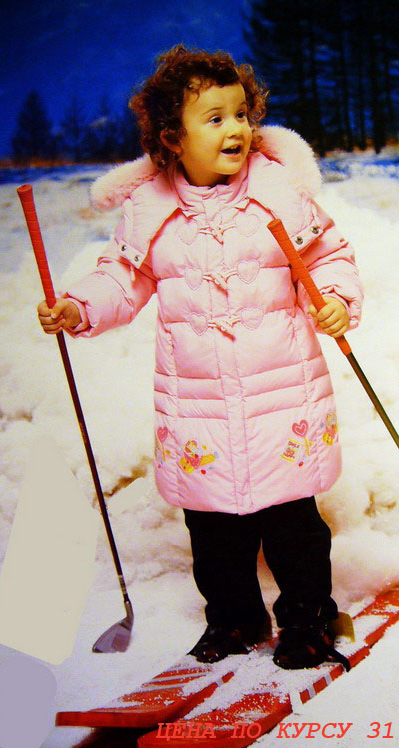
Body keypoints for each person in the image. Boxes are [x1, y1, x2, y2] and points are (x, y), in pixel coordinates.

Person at [37, 45, 363, 670]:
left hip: (280, 398)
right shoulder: (151, 212)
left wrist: (336, 300)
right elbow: (121, 279)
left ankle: (308, 619)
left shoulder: (277, 193)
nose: (236, 129)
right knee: (213, 530)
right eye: (214, 119)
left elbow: (327, 256)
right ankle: (234, 618)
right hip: (198, 405)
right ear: (171, 138)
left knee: (293, 523)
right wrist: (79, 308)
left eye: (241, 114)